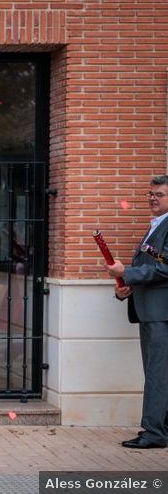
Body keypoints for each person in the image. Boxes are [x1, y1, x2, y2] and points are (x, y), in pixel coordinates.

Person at [104, 174, 168, 450]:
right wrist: (124, 287)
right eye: (150, 194)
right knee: (160, 372)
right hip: (151, 311)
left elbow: (165, 266)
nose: (152, 198)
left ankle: (154, 433)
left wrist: (126, 272)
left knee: (157, 373)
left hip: (161, 314)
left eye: (160, 194)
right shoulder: (157, 225)